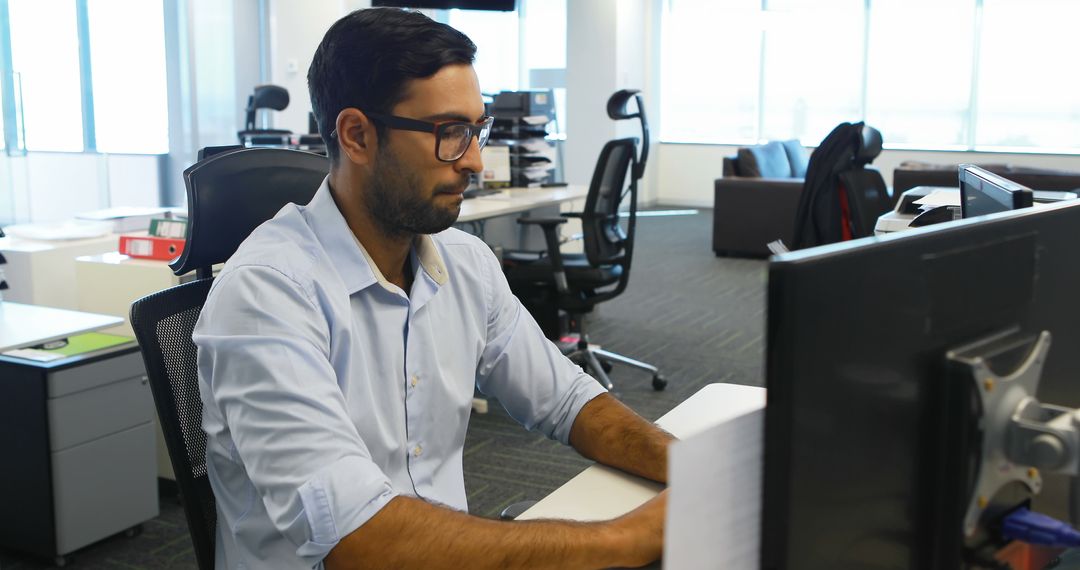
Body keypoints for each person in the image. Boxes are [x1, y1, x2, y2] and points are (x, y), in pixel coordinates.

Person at [194, 7, 672, 569]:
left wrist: (693, 469)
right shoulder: (267, 298)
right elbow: (362, 540)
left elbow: (567, 402)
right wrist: (626, 539)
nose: (474, 160)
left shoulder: (465, 264)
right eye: (450, 133)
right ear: (357, 135)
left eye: (477, 129)